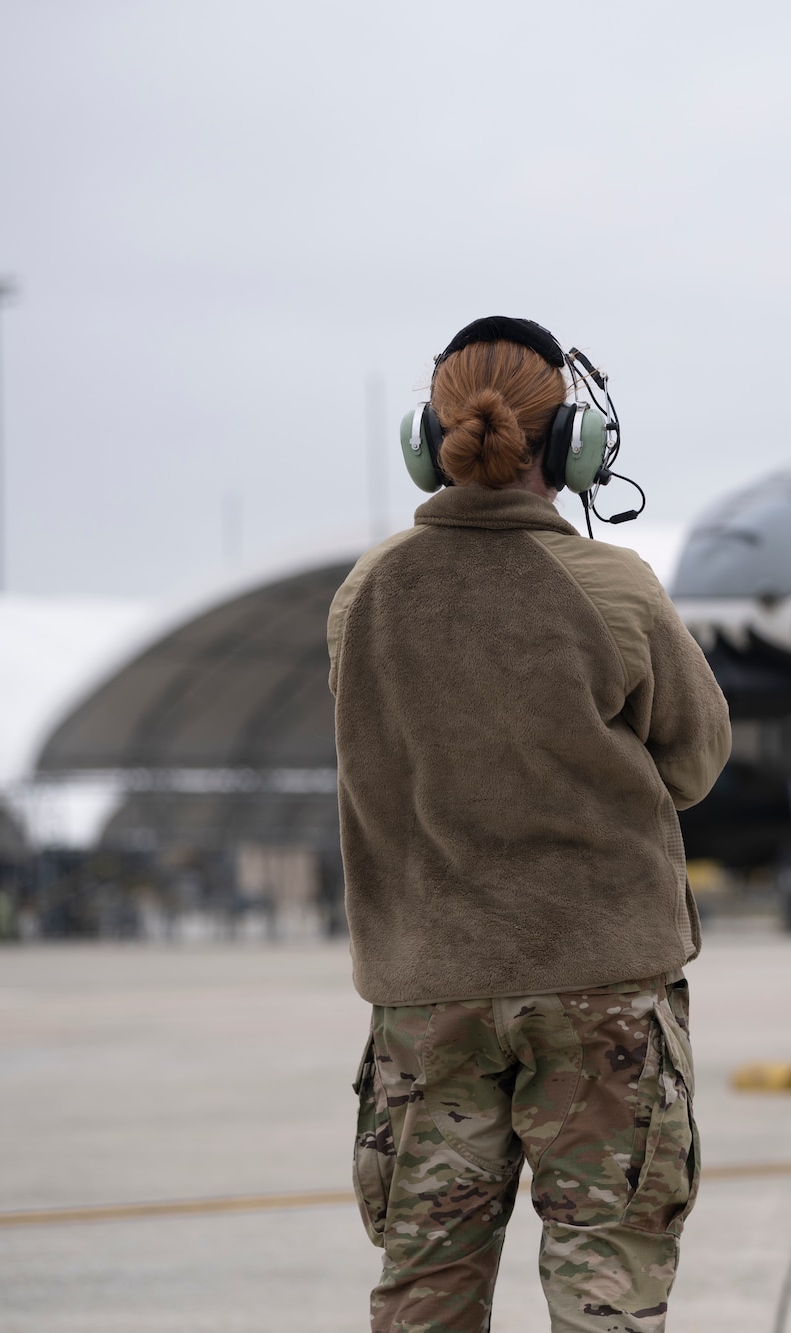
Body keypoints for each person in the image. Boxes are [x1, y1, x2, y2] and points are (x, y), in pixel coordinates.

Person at [327, 316, 731, 1333]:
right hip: (602, 992)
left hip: (430, 996)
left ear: (429, 438)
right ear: (571, 449)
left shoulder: (364, 594)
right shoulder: (615, 586)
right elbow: (696, 759)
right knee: (608, 1282)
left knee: (424, 1285)